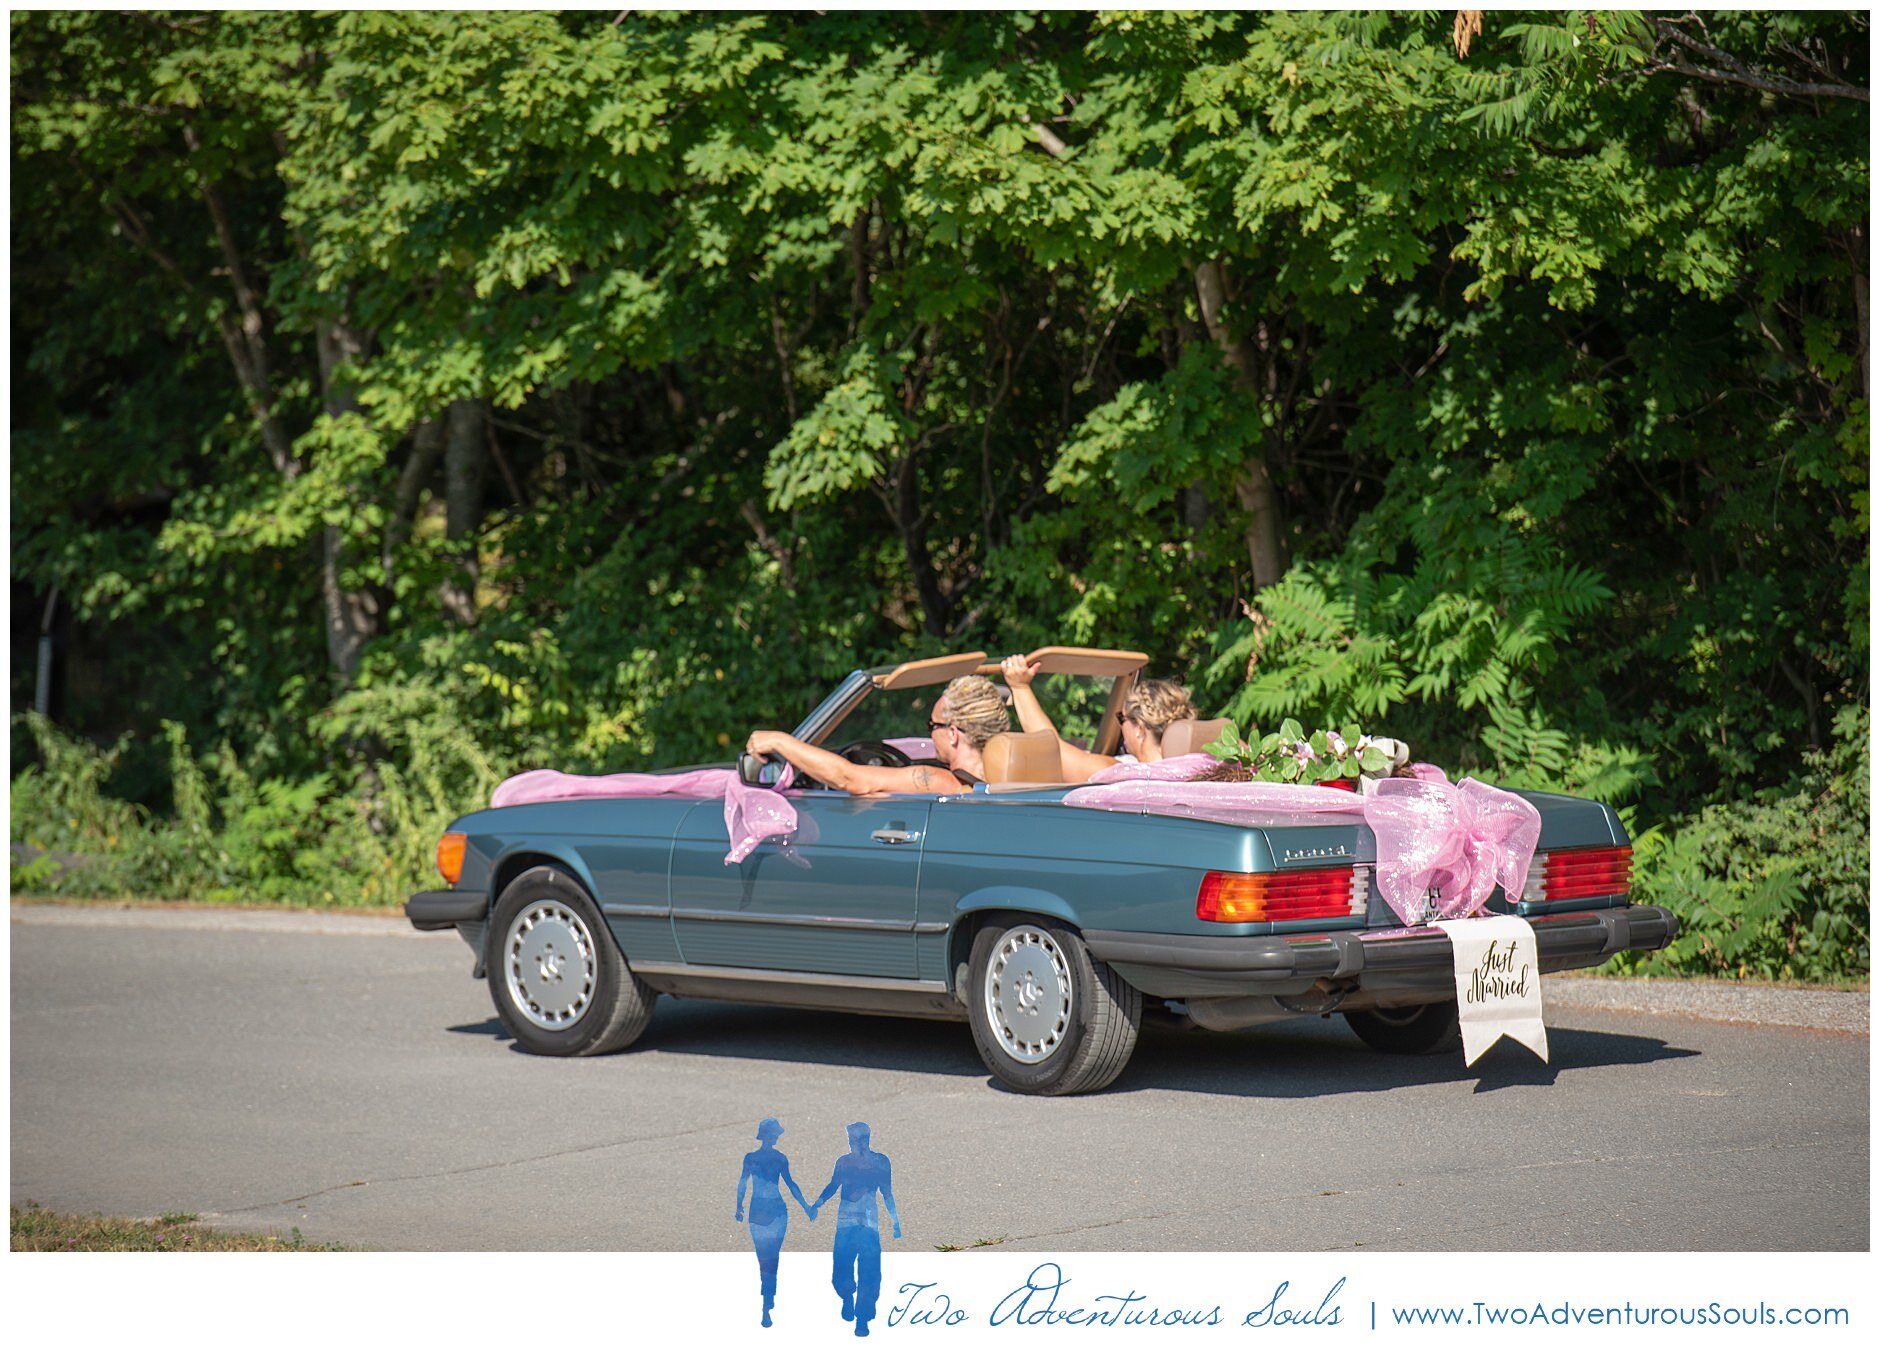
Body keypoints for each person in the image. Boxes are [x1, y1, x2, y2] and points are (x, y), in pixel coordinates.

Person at [744, 674, 1010, 795]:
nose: (929, 735)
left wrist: (781, 740)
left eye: (932, 726)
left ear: (953, 734)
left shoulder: (942, 782)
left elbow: (850, 778)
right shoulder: (1017, 781)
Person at [999, 654, 1197, 781]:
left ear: (1139, 728)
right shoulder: (1199, 770)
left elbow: (1053, 751)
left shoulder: (1123, 775)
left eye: (1122, 719)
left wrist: (1020, 687)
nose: (1121, 728)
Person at [810, 1122, 901, 1337]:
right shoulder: (843, 1163)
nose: (854, 1143)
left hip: (868, 1225)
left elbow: (887, 1193)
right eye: (851, 1140)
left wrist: (895, 1221)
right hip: (846, 1223)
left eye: (857, 1139)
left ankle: (862, 1318)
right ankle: (847, 1296)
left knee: (869, 1272)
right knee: (841, 1269)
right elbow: (833, 1186)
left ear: (866, 1139)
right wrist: (817, 1204)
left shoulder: (880, 1163)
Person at [735, 1117, 814, 1328]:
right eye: (776, 1133)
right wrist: (806, 1207)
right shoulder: (778, 1158)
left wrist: (739, 1206)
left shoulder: (752, 1158)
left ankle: (767, 1298)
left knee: (765, 1257)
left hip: (761, 1211)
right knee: (770, 1257)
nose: (778, 1136)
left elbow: (743, 1183)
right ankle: (767, 1298)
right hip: (774, 1211)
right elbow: (790, 1184)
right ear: (770, 1135)